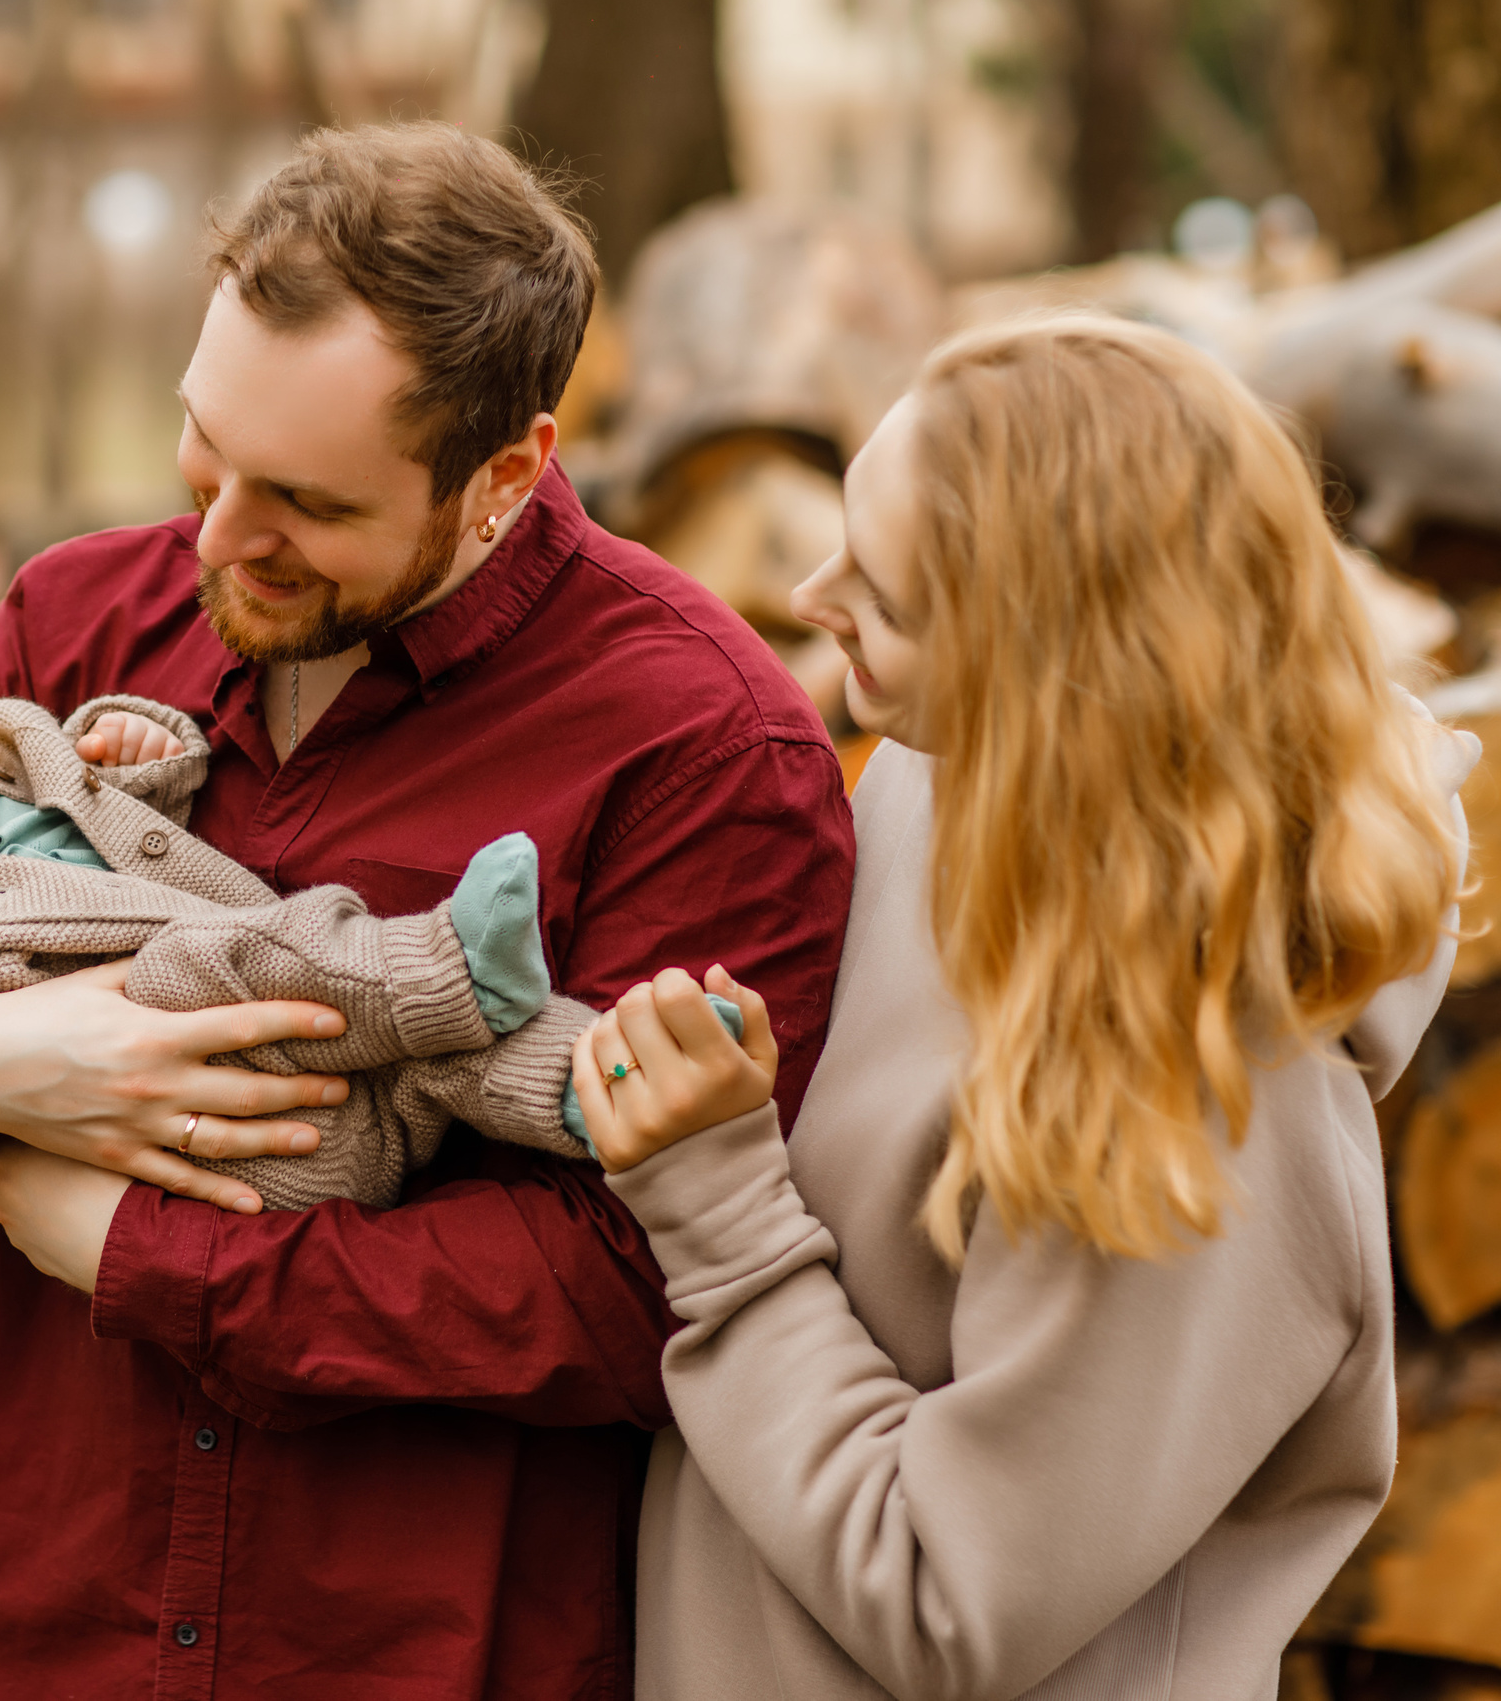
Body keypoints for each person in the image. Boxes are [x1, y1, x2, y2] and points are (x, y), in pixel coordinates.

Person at [0, 122, 855, 1698]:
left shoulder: (706, 743)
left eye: (302, 498)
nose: (219, 535)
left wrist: (141, 1250)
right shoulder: (81, 615)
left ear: (507, 474)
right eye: (204, 444)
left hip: (411, 1649)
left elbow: (640, 1286)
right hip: (46, 1627)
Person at [570, 315, 1471, 1700]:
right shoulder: (945, 796)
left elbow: (950, 1603)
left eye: (884, 588)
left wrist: (720, 1205)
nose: (808, 594)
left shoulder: (1220, 1093)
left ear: (1054, 662)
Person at [0, 574, 604, 1219]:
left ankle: (594, 1084)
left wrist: (137, 758)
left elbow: (140, 844)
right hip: (239, 1144)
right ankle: (449, 963)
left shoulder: (33, 762)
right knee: (231, 958)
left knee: (452, 1064)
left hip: (342, 1082)